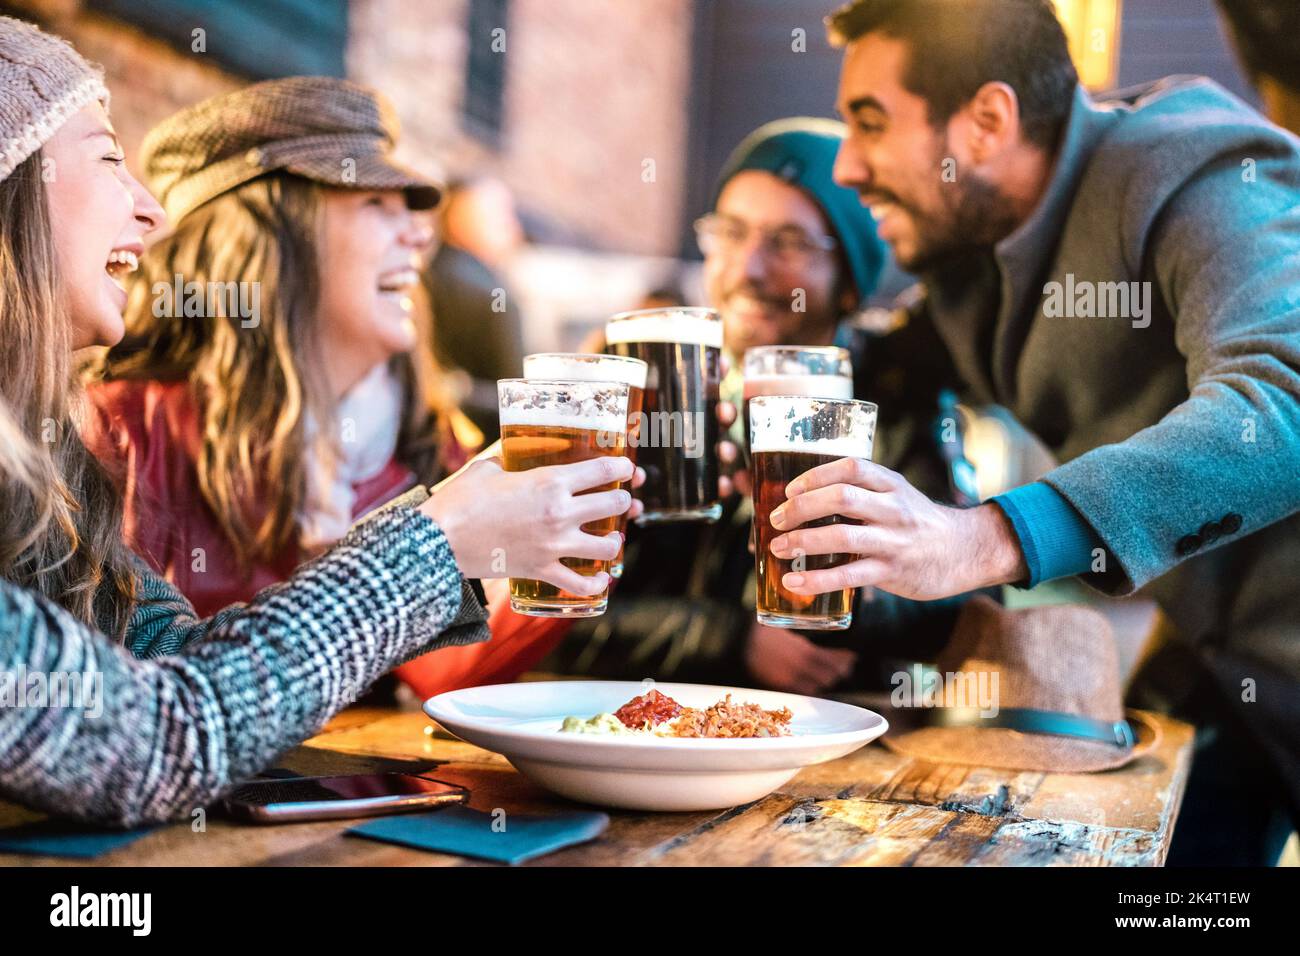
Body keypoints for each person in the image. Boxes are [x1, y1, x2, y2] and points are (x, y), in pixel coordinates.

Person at [0, 15, 633, 826]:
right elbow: (160, 737)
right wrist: (436, 540)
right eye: (108, 156)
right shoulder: (118, 435)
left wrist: (489, 539)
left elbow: (196, 672)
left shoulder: (49, 481)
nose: (149, 214)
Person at [767, 0, 1300, 863]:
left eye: (870, 122)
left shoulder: (1192, 170)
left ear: (986, 121)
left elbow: (1285, 405)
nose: (849, 166)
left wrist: (983, 537)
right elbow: (885, 365)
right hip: (1221, 669)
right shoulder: (974, 256)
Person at [82, 77, 575, 699]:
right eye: (376, 206)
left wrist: (578, 524)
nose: (421, 235)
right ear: (268, 242)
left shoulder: (421, 429)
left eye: (410, 210)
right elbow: (135, 713)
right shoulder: (123, 434)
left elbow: (433, 672)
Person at [541, 118, 975, 696]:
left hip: (828, 755)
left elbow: (959, 603)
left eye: (789, 242)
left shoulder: (894, 398)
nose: (748, 268)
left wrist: (843, 602)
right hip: (643, 739)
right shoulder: (648, 391)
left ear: (849, 282)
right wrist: (726, 639)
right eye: (732, 232)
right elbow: (542, 611)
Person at [422, 176, 527, 442]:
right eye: (502, 217)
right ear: (461, 219)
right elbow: (517, 399)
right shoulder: (493, 294)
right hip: (478, 448)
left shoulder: (422, 276)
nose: (515, 230)